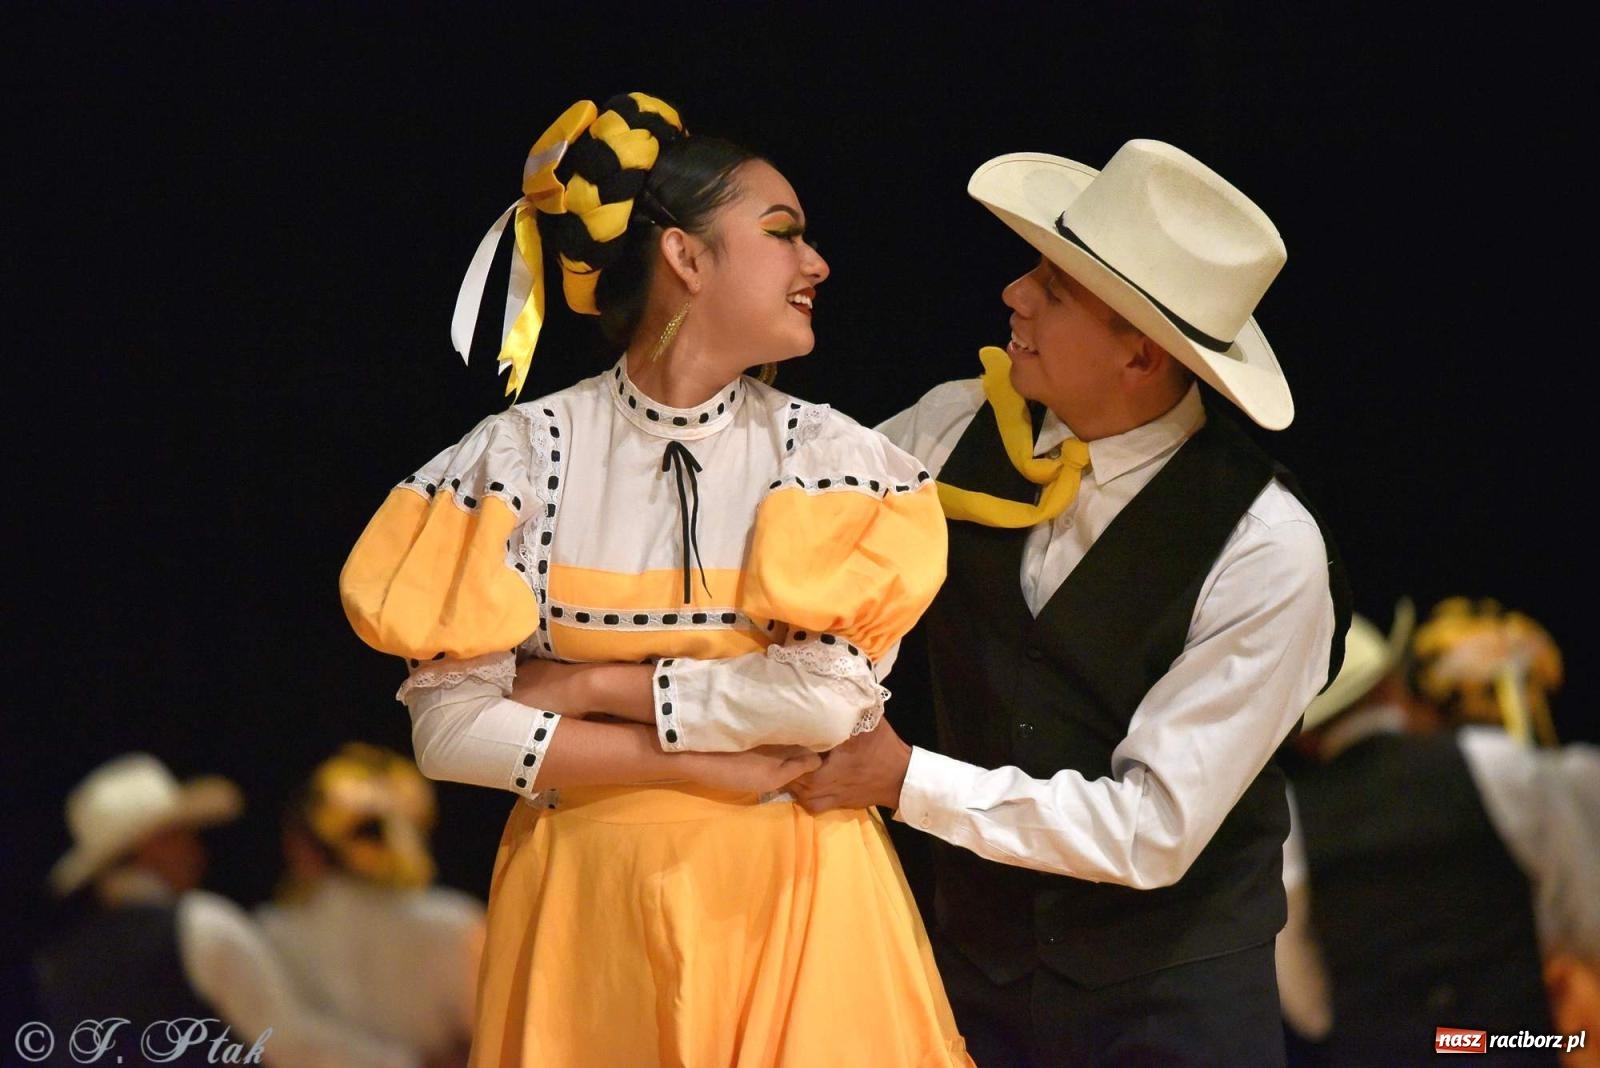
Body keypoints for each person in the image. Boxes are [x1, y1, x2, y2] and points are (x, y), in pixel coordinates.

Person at [340, 93, 969, 1066]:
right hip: (587, 920)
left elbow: (822, 702)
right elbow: (452, 729)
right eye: (783, 234)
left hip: (797, 903)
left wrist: (586, 688)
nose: (816, 263)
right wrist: (694, 763)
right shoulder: (520, 456)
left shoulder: (835, 460)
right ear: (685, 256)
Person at [789, 140, 1351, 1066]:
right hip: (964, 988)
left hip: (1168, 1016)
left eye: (1052, 285)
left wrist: (905, 778)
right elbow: (779, 530)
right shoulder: (955, 424)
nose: (1014, 293)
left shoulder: (1268, 551)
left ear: (1139, 353)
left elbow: (1153, 830)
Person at [1279, 599, 1600, 1066]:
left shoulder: (1288, 831)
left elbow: (1311, 1010)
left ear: (1302, 736)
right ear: (1391, 685)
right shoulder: (1495, 763)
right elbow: (1582, 915)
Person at [35, 753, 420, 1068]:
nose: (196, 850)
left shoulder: (60, 964)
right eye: (182, 834)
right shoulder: (197, 923)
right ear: (153, 844)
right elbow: (287, 1042)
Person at [256, 744, 485, 1068]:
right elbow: (501, 1039)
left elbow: (279, 1043)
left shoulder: (270, 934)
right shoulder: (456, 922)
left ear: (301, 845)